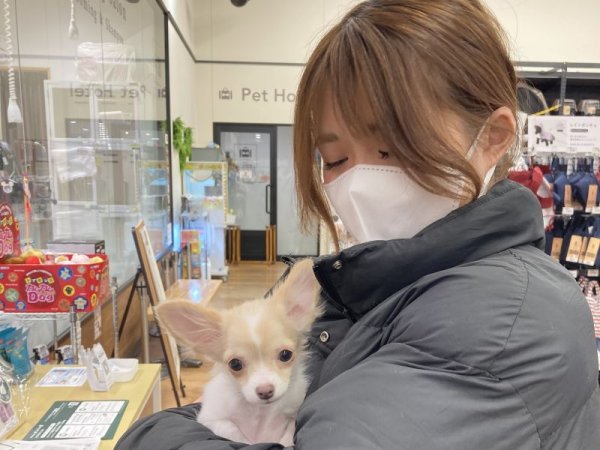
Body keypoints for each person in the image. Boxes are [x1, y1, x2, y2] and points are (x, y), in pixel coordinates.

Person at [116, 1, 600, 448]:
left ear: (493, 137)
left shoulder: (505, 324)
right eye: (335, 159)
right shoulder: (386, 281)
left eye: (391, 147)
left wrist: (149, 431)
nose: (362, 180)